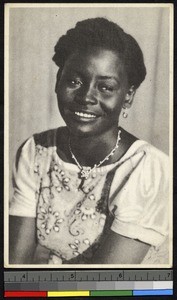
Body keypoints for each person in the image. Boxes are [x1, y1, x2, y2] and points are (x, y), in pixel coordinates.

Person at [9, 17, 169, 265]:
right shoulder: (36, 152)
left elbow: (102, 286)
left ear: (128, 96)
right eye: (74, 81)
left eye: (105, 87)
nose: (86, 97)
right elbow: (16, 269)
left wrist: (43, 261)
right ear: (57, 81)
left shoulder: (147, 169)